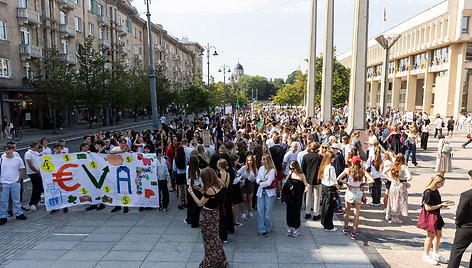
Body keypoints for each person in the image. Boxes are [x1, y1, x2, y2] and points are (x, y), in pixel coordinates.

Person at [187, 167, 227, 268]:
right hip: (215, 214)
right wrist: (198, 188)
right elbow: (209, 196)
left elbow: (200, 203)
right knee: (215, 238)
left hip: (208, 217)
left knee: (208, 240)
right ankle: (220, 259)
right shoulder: (219, 183)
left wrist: (191, 192)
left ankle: (210, 262)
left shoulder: (210, 189)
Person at [336, 156, 374, 240]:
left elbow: (338, 178)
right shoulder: (362, 171)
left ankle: (345, 228)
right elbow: (372, 180)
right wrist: (363, 183)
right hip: (359, 191)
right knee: (356, 213)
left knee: (347, 211)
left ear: (352, 162)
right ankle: (353, 233)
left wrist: (346, 182)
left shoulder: (348, 170)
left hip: (350, 190)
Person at [420, 174, 451, 265]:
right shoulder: (428, 192)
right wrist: (441, 205)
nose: (443, 185)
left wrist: (444, 202)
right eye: (442, 183)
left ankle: (435, 253)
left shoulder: (435, 190)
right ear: (436, 182)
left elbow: (436, 203)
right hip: (430, 216)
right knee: (431, 236)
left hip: (436, 215)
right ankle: (426, 254)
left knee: (438, 234)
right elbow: (427, 208)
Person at [448, 170, 472, 267]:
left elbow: (460, 213)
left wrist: (458, 224)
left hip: (465, 228)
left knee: (456, 253)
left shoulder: (467, 195)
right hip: (466, 227)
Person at [0, 144, 27, 225]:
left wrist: (19, 178)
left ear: (13, 150)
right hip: (4, 183)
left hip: (15, 182)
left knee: (16, 200)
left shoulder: (18, 159)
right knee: (3, 201)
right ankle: (3, 216)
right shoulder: (1, 160)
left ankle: (19, 213)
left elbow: (22, 169)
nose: (8, 152)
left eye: (9, 150)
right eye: (6, 150)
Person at [384, 154, 412, 223]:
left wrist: (390, 179)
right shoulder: (404, 167)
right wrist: (405, 180)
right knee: (398, 201)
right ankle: (394, 217)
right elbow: (410, 177)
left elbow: (384, 172)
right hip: (400, 186)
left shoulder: (393, 165)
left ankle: (388, 214)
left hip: (393, 184)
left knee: (392, 199)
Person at [283, 161, 308, 237]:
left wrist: (306, 189)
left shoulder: (302, 175)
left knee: (296, 213)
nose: (292, 170)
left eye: (293, 168)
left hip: (297, 197)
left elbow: (306, 185)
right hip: (290, 197)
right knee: (289, 212)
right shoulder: (290, 173)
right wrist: (289, 185)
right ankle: (289, 228)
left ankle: (296, 229)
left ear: (296, 167)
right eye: (290, 168)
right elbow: (285, 181)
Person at [256, 155, 276, 236]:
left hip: (269, 193)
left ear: (266, 161)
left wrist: (261, 182)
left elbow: (269, 182)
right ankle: (261, 229)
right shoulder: (261, 168)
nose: (261, 161)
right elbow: (257, 179)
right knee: (260, 211)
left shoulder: (272, 170)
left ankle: (268, 227)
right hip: (261, 192)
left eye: (262, 160)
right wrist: (261, 180)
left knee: (268, 212)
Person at [302, 142, 322, 220]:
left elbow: (303, 168)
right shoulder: (320, 157)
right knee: (317, 197)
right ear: (317, 148)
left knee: (308, 196)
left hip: (308, 179)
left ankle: (308, 212)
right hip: (317, 179)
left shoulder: (306, 156)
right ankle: (316, 214)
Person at [109, 138, 131, 213]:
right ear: (119, 143)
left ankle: (126, 206)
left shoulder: (127, 149)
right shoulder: (116, 148)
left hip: (125, 171)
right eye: (122, 143)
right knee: (116, 189)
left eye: (124, 143)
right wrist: (121, 151)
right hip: (116, 170)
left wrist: (130, 152)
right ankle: (117, 205)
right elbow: (111, 152)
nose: (123, 145)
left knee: (125, 189)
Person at [319, 151, 339, 232]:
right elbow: (334, 180)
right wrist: (337, 188)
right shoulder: (331, 168)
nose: (334, 159)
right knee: (330, 208)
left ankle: (324, 222)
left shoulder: (323, 166)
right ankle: (328, 225)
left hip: (324, 186)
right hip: (330, 188)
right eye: (333, 158)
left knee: (324, 206)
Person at [85, 140, 107, 211]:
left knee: (101, 188)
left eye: (96, 145)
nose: (95, 146)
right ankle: (94, 203)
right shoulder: (97, 153)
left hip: (102, 174)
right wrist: (90, 154)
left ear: (99, 145)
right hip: (96, 174)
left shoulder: (103, 153)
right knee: (95, 189)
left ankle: (102, 203)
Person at [237, 155, 257, 221]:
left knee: (250, 199)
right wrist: (241, 178)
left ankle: (250, 212)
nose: (249, 162)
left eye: (251, 160)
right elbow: (237, 173)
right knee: (244, 199)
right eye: (248, 160)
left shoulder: (255, 168)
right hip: (244, 183)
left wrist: (255, 178)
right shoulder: (244, 167)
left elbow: (258, 176)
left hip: (251, 184)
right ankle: (243, 213)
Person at [185, 155, 202, 228]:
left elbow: (186, 178)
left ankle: (189, 219)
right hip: (197, 188)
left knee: (190, 205)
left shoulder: (188, 168)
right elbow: (201, 181)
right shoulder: (199, 170)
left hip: (189, 188)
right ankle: (195, 222)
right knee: (196, 207)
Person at [24, 142, 41, 211]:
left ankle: (36, 201)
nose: (38, 147)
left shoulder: (36, 153)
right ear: (35, 146)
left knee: (39, 188)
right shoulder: (28, 153)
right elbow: (30, 165)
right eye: (37, 146)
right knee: (35, 188)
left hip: (38, 172)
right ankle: (31, 203)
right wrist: (37, 171)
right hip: (32, 173)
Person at [173, 146, 189, 210]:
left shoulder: (175, 158)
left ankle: (180, 204)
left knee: (179, 189)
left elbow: (174, 168)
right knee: (185, 189)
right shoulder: (186, 157)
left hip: (179, 174)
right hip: (185, 174)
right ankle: (186, 202)